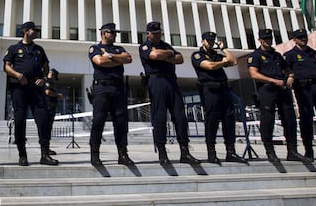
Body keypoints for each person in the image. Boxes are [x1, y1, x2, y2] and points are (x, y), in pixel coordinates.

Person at [139, 21, 200, 166]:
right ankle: (162, 151)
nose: (157, 35)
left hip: (171, 81)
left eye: (159, 32)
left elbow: (180, 59)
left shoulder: (166, 45)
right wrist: (169, 55)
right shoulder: (144, 46)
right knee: (160, 117)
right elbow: (154, 55)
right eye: (154, 33)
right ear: (148, 34)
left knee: (180, 116)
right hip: (156, 81)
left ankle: (184, 151)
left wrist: (166, 54)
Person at [247, 29, 309, 162]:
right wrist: (273, 81)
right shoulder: (256, 55)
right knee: (268, 120)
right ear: (260, 40)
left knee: (290, 120)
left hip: (282, 89)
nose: (268, 41)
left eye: (269, 39)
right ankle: (270, 152)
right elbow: (254, 74)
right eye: (265, 39)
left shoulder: (277, 55)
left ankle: (292, 151)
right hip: (267, 89)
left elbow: (287, 69)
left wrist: (291, 76)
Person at [4, 21, 58, 166]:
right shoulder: (14, 48)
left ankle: (45, 154)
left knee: (43, 119)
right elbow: (7, 67)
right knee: (20, 120)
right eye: (34, 30)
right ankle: (22, 155)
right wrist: (18, 75)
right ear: (26, 31)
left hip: (36, 88)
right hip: (19, 89)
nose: (37, 32)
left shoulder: (39, 49)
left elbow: (46, 67)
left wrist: (43, 78)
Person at [191, 32, 247, 164]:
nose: (210, 43)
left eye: (212, 41)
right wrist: (222, 63)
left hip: (224, 89)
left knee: (229, 119)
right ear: (202, 41)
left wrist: (223, 49)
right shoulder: (197, 55)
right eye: (208, 41)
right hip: (209, 90)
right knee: (212, 121)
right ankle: (211, 153)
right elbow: (209, 66)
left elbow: (233, 61)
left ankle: (231, 152)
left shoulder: (217, 55)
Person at [88, 23, 134, 166]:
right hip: (102, 88)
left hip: (118, 88)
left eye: (115, 33)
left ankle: (123, 154)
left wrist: (111, 56)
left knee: (121, 123)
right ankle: (95, 155)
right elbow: (100, 61)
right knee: (98, 121)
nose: (114, 35)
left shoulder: (118, 49)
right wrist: (117, 59)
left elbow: (128, 59)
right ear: (104, 33)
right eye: (112, 32)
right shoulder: (94, 48)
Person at [284, 28, 316, 161]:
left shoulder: (314, 54)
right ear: (294, 40)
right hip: (303, 89)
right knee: (306, 119)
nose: (303, 39)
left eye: (304, 37)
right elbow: (286, 70)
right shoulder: (290, 55)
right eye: (300, 37)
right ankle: (309, 150)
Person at [43, 68, 63, 155]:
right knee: (47, 129)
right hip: (48, 108)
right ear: (53, 75)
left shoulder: (47, 80)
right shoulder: (48, 81)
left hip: (50, 108)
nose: (55, 80)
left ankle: (47, 148)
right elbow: (48, 92)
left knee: (48, 129)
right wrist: (58, 95)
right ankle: (45, 149)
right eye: (55, 78)